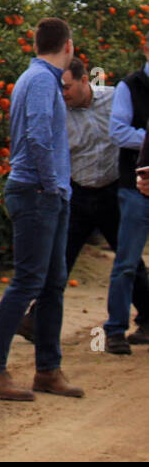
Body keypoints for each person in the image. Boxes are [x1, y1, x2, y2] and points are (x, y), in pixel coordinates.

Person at [0, 18, 84, 399]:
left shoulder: (36, 79)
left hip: (45, 192)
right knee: (27, 282)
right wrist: (52, 186)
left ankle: (48, 370)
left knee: (52, 283)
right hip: (38, 192)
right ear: (67, 47)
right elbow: (37, 137)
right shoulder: (40, 81)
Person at [16, 57, 149, 344]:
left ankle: (147, 318)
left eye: (67, 87)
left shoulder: (114, 98)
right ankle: (37, 319)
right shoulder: (57, 112)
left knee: (128, 260)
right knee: (61, 256)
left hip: (114, 190)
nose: (62, 94)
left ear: (85, 80)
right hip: (77, 192)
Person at [103, 43, 149, 352]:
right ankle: (115, 331)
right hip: (136, 187)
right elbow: (118, 131)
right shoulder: (129, 86)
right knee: (127, 261)